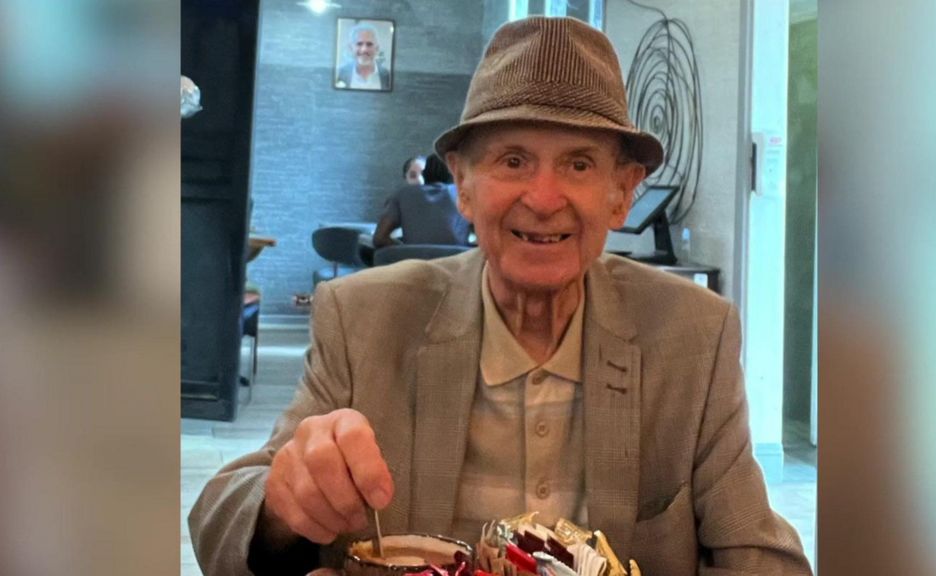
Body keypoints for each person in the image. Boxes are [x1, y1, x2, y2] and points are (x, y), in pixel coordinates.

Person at [190, 17, 812, 576]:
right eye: (513, 160)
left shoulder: (692, 335)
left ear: (622, 193)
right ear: (462, 184)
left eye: (578, 164)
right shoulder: (365, 318)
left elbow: (762, 557)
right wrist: (283, 505)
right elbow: (220, 519)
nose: (543, 199)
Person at [372, 154, 471, 248]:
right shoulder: (465, 195)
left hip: (412, 262)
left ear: (424, 174)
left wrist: (404, 249)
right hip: (456, 262)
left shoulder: (401, 195)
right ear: (455, 175)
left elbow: (379, 239)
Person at [335, 23, 391, 91]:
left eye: (369, 44)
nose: (364, 49)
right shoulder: (339, 74)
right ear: (350, 47)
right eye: (359, 44)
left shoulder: (388, 76)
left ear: (377, 48)